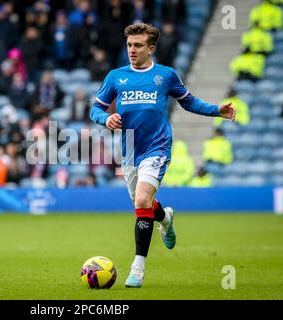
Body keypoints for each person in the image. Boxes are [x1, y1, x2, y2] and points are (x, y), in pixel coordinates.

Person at [89, 23, 236, 288]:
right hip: (130, 150)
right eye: (129, 45)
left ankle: (137, 269)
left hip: (157, 146)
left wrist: (217, 110)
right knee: (142, 204)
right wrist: (106, 118)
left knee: (143, 199)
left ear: (151, 48)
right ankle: (165, 218)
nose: (132, 50)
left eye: (137, 46)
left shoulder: (165, 76)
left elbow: (188, 101)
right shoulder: (116, 77)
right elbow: (95, 109)